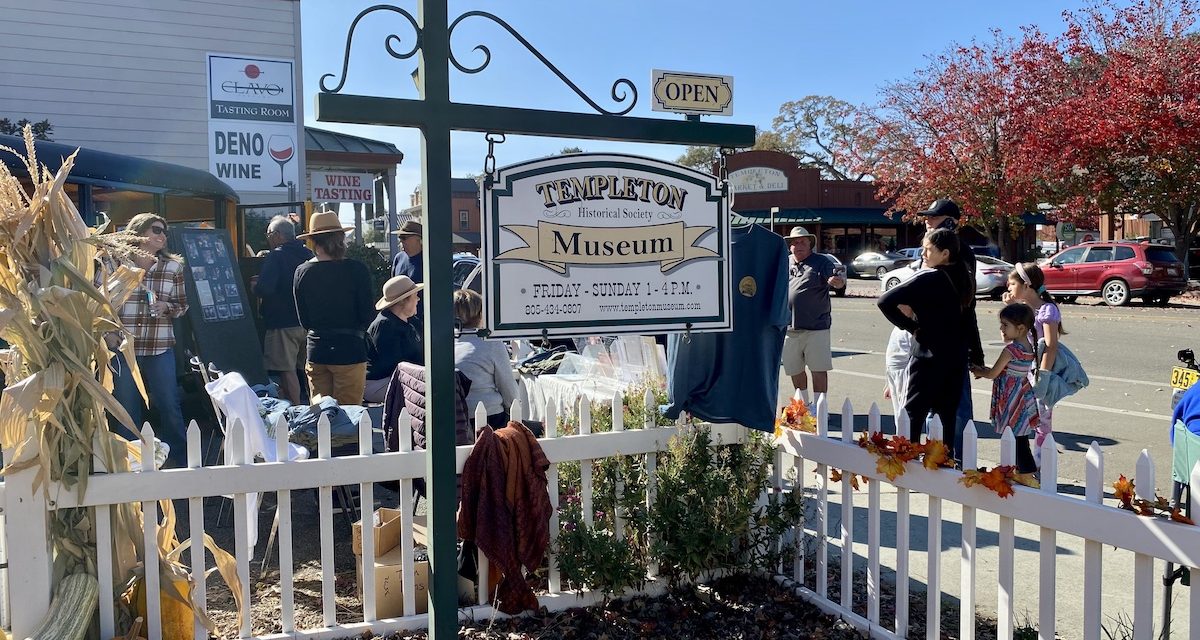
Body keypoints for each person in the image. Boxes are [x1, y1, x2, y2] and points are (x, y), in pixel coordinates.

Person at [877, 228, 974, 455]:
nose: (923, 254)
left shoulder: (928, 277)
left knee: (914, 412)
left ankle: (906, 457)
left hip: (927, 356)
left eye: (928, 249)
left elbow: (885, 302)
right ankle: (942, 461)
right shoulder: (964, 276)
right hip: (955, 358)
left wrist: (912, 328)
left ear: (945, 253)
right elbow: (969, 319)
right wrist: (975, 354)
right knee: (946, 415)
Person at [111, 213, 189, 466]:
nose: (162, 235)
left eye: (164, 231)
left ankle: (178, 458)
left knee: (169, 403)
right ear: (138, 232)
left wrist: (166, 306)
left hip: (159, 345)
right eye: (156, 230)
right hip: (124, 346)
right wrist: (107, 332)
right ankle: (129, 460)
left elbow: (182, 306)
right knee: (126, 405)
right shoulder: (114, 265)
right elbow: (99, 302)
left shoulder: (173, 267)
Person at [915, 199, 984, 456]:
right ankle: (936, 454)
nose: (927, 221)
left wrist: (975, 350)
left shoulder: (961, 252)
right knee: (930, 403)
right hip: (929, 340)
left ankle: (959, 459)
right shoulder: (928, 251)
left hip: (952, 339)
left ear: (950, 221)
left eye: (933, 217)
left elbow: (967, 304)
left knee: (957, 405)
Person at [293, 210, 376, 406]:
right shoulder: (357, 270)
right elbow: (368, 314)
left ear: (313, 241)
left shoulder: (302, 272)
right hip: (350, 349)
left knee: (320, 417)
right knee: (348, 417)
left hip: (317, 349)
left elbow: (303, 320)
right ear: (341, 238)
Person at [1002, 262, 1068, 458]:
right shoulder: (1023, 310)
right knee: (1019, 418)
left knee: (1042, 421)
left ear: (1026, 286)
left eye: (1012, 284)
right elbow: (1007, 339)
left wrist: (1044, 376)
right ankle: (1023, 464)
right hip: (1021, 371)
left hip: (1040, 372)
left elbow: (1050, 345)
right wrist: (1011, 310)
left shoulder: (1047, 310)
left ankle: (1040, 463)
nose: (1009, 288)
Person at [970, 303, 1040, 473]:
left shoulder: (1011, 350)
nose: (1001, 329)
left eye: (1005, 325)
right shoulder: (1030, 347)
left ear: (1021, 328)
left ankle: (1026, 472)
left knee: (1015, 440)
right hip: (1022, 394)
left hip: (1011, 396)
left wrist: (978, 370)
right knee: (1020, 437)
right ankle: (1024, 471)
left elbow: (994, 373)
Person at [252, 215, 313, 404]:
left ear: (278, 235)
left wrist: (255, 285)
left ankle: (297, 409)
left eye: (269, 234)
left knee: (286, 369)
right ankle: (315, 405)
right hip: (309, 321)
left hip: (282, 322)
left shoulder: (276, 256)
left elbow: (266, 289)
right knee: (307, 369)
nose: (267, 238)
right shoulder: (308, 254)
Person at [782, 226, 845, 404]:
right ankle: (803, 406)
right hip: (789, 327)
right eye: (795, 242)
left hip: (816, 327)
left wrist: (837, 283)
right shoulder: (785, 263)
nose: (798, 245)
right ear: (790, 246)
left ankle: (820, 408)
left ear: (810, 244)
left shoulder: (822, 262)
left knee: (818, 369)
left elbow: (837, 281)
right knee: (794, 369)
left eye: (803, 241)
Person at [453, 289, 519, 428]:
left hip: (455, 419)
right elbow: (508, 389)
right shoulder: (491, 344)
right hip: (490, 418)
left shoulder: (446, 343)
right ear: (480, 314)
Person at [363, 275, 424, 403]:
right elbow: (392, 365)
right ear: (403, 301)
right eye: (415, 296)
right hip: (379, 383)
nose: (418, 299)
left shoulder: (413, 322)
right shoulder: (385, 325)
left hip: (404, 378)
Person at [883, 325, 914, 420]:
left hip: (904, 373)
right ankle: (900, 432)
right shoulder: (899, 325)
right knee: (898, 411)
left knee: (904, 410)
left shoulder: (912, 330)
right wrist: (888, 384)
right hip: (892, 372)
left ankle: (905, 433)